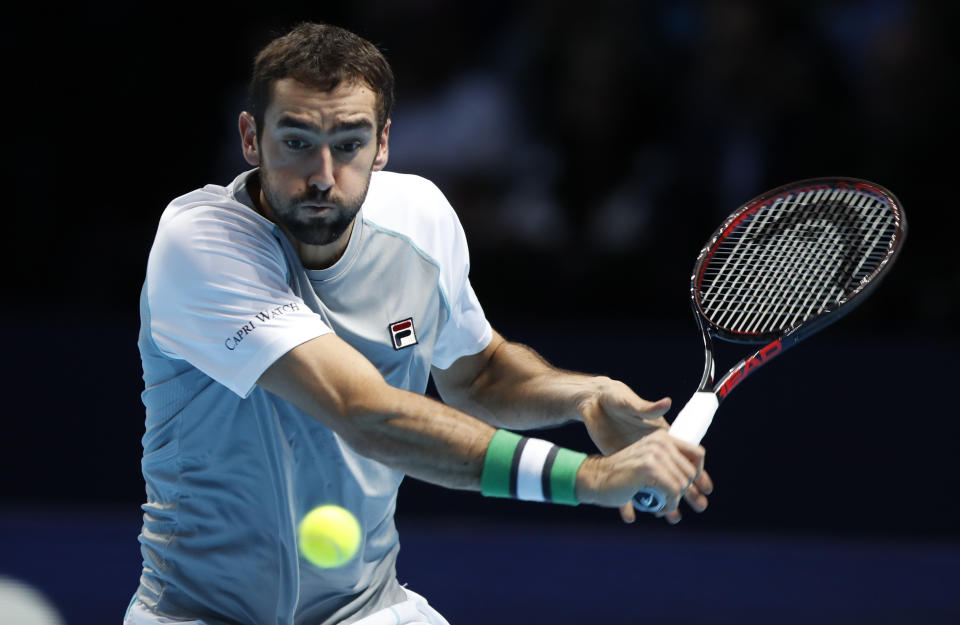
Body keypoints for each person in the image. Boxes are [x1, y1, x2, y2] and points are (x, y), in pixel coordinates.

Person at [127, 21, 713, 625]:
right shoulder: (199, 242)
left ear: (382, 144)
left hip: (367, 610)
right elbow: (366, 412)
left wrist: (584, 395)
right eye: (297, 141)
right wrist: (589, 478)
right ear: (252, 138)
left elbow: (479, 374)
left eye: (349, 143)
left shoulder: (420, 217)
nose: (324, 175)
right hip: (197, 614)